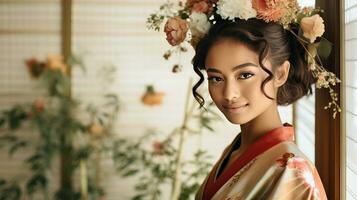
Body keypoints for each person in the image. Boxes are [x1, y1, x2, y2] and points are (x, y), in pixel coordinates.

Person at [149, 0, 341, 199]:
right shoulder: (236, 149)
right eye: (216, 78)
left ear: (281, 74)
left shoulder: (293, 172)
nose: (229, 94)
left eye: (245, 75)